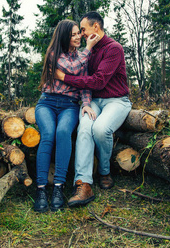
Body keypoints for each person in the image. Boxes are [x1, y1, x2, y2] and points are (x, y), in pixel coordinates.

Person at [55, 11, 132, 207]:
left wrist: (64, 78)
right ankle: (83, 184)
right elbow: (80, 72)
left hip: (117, 100)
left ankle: (104, 170)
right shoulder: (88, 50)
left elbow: (97, 81)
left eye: (83, 29)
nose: (80, 34)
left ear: (95, 28)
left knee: (101, 129)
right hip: (94, 101)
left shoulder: (114, 49)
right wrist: (87, 103)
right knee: (85, 128)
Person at [34, 19, 99, 212]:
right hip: (46, 102)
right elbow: (72, 70)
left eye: (79, 32)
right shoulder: (54, 54)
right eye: (73, 34)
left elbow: (84, 82)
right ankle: (40, 190)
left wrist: (86, 104)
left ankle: (58, 188)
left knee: (63, 133)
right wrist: (88, 48)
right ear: (64, 36)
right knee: (48, 135)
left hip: (69, 105)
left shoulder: (81, 57)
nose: (79, 36)